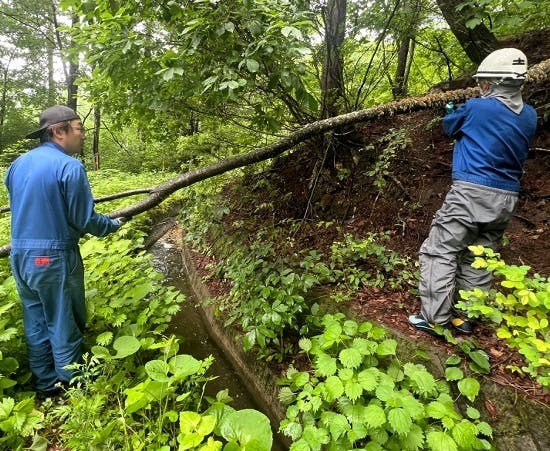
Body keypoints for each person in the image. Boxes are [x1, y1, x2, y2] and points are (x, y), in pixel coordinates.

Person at [408, 48, 538, 335]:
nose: (482, 88)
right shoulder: (530, 115)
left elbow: (450, 126)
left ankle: (434, 319)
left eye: (484, 83)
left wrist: (451, 109)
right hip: (506, 199)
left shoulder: (477, 107)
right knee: (480, 255)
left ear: (496, 82)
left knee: (440, 250)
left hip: (471, 192)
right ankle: (465, 317)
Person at [6, 105, 126, 398]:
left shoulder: (17, 165)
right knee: (63, 319)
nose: (83, 135)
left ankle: (46, 385)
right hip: (53, 257)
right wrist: (112, 225)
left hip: (20, 257)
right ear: (58, 131)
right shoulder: (70, 167)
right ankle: (74, 387)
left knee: (36, 320)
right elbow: (84, 219)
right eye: (79, 129)